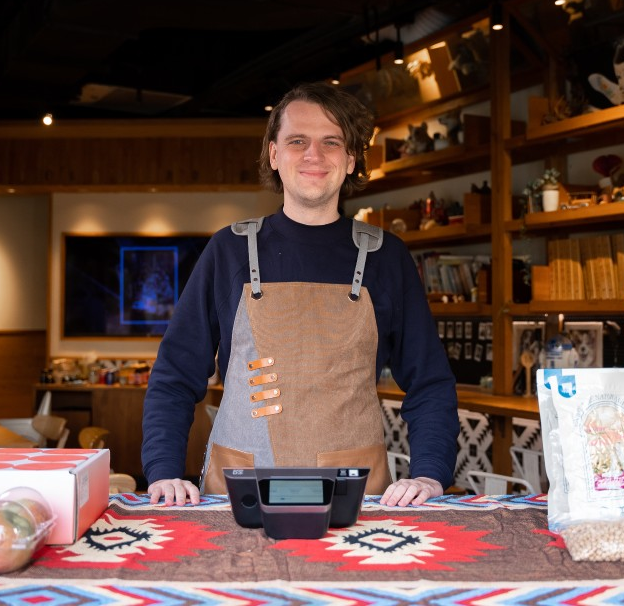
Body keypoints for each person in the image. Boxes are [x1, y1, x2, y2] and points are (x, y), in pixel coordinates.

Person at [141, 82, 460, 508]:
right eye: (297, 141)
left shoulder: (387, 257)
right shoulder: (229, 250)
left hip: (356, 501)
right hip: (239, 496)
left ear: (351, 159)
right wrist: (163, 472)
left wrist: (430, 474)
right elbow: (175, 375)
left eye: (332, 142)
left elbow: (430, 382)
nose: (314, 155)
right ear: (274, 155)